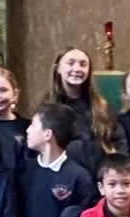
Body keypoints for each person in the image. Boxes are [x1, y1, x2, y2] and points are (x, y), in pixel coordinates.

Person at [50, 47, 125, 178]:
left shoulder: (102, 107)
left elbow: (119, 143)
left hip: (100, 178)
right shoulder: (48, 107)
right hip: (62, 182)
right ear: (58, 68)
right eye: (70, 63)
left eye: (83, 64)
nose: (77, 69)